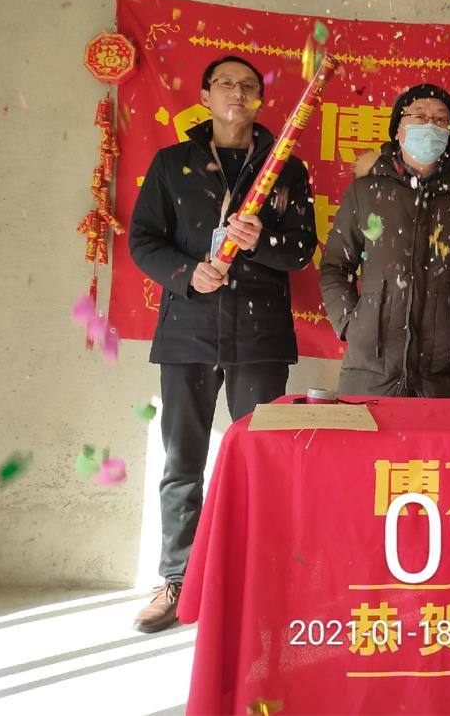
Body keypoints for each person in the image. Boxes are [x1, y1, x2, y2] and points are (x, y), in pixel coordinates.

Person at [128, 55, 317, 632]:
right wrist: (189, 274)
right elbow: (143, 241)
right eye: (226, 84)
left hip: (260, 335)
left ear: (260, 99)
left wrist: (262, 242)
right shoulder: (172, 163)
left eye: (249, 86)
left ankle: (260, 578)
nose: (237, 92)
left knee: (264, 460)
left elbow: (302, 249)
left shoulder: (285, 168)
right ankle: (177, 580)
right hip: (187, 330)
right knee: (183, 462)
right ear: (206, 95)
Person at [320, 84, 450, 397]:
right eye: (419, 116)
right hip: (370, 371)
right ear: (398, 129)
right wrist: (351, 325)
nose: (430, 125)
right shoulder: (365, 192)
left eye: (440, 120)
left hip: (448, 376)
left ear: (449, 133)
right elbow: (335, 266)